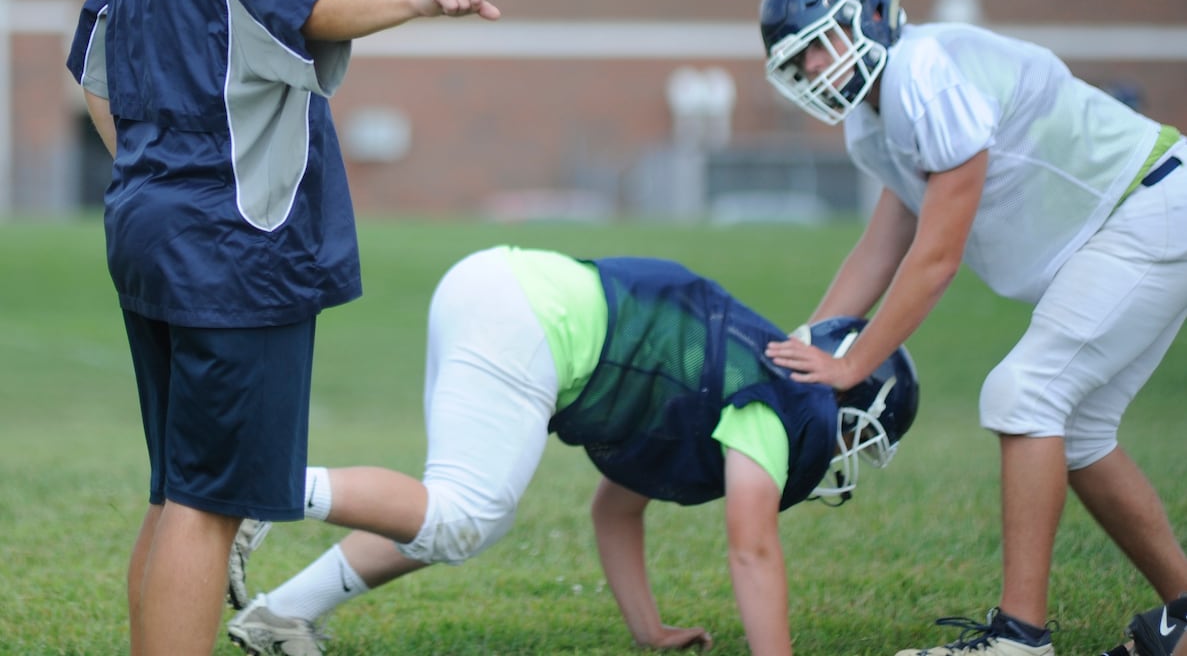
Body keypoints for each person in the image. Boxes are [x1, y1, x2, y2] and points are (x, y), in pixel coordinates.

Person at [65, 0, 501, 656]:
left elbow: (93, 66)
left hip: (155, 234)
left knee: (179, 489)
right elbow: (313, 7)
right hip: (229, 250)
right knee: (208, 503)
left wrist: (149, 171)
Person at [757, 0, 1187, 656]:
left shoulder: (924, 71)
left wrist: (853, 364)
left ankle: (1018, 639)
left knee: (1024, 394)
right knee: (1075, 434)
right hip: (1130, 217)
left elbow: (934, 260)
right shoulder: (871, 121)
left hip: (1144, 206)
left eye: (819, 45)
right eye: (798, 61)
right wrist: (810, 346)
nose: (812, 70)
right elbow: (883, 245)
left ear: (869, 17)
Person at [224, 245, 920, 656]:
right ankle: (261, 485)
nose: (845, 456)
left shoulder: (737, 382)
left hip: (498, 290)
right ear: (843, 396)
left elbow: (615, 511)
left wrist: (647, 630)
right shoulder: (779, 405)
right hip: (527, 321)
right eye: (860, 436)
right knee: (461, 514)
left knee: (469, 519)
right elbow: (752, 547)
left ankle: (280, 614)